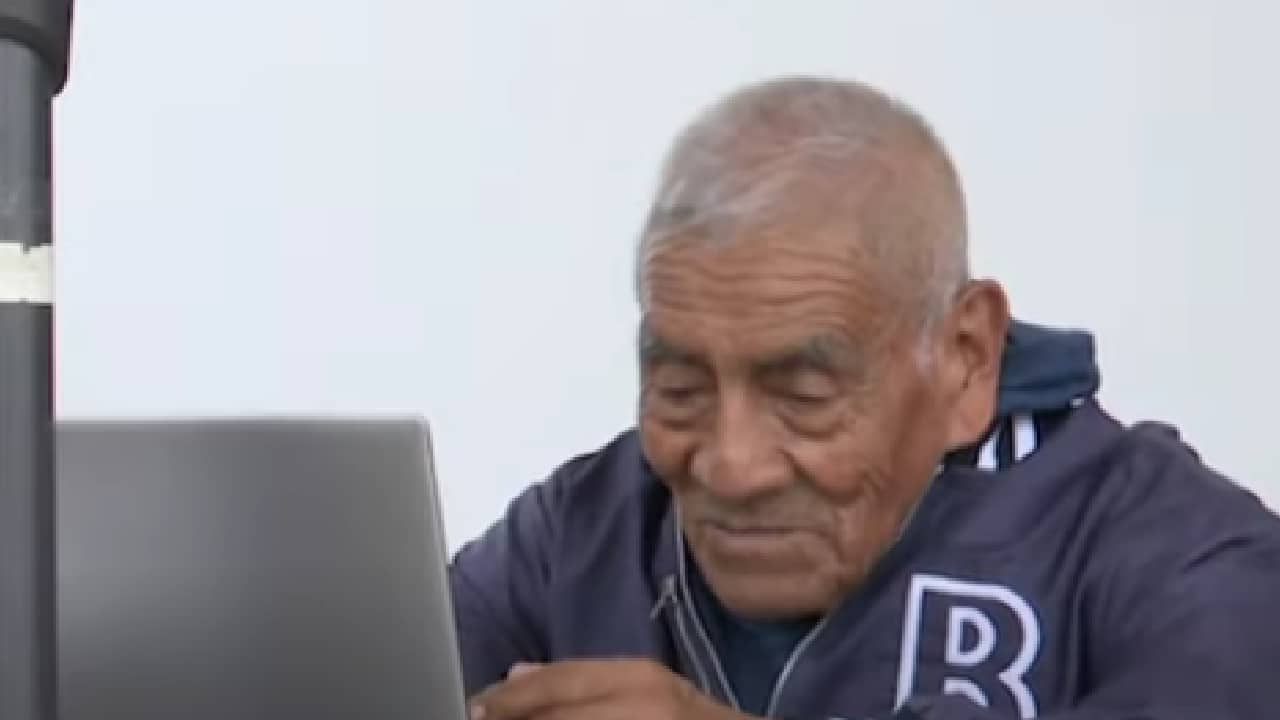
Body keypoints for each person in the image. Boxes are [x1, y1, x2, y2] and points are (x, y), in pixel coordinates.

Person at [451, 76, 1280, 720]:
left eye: (803, 394)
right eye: (680, 388)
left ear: (965, 358)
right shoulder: (583, 534)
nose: (732, 465)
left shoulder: (1173, 554)